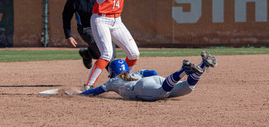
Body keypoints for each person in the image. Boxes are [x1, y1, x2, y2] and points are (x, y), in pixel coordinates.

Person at [82, 0, 154, 90]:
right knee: (107, 54)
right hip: (101, 19)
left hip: (116, 20)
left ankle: (120, 81)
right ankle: (88, 85)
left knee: (134, 54)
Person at [79, 51, 217, 101]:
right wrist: (156, 83)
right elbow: (152, 73)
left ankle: (183, 71)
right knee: (187, 88)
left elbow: (95, 91)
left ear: (112, 72)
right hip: (154, 81)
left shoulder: (113, 81)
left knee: (162, 91)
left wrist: (79, 95)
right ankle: (203, 65)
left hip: (141, 87)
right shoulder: (136, 73)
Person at [62, 0, 117, 70]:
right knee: (104, 51)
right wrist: (68, 35)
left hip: (103, 24)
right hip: (86, 28)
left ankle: (88, 54)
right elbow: (66, 16)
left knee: (112, 52)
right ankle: (114, 76)